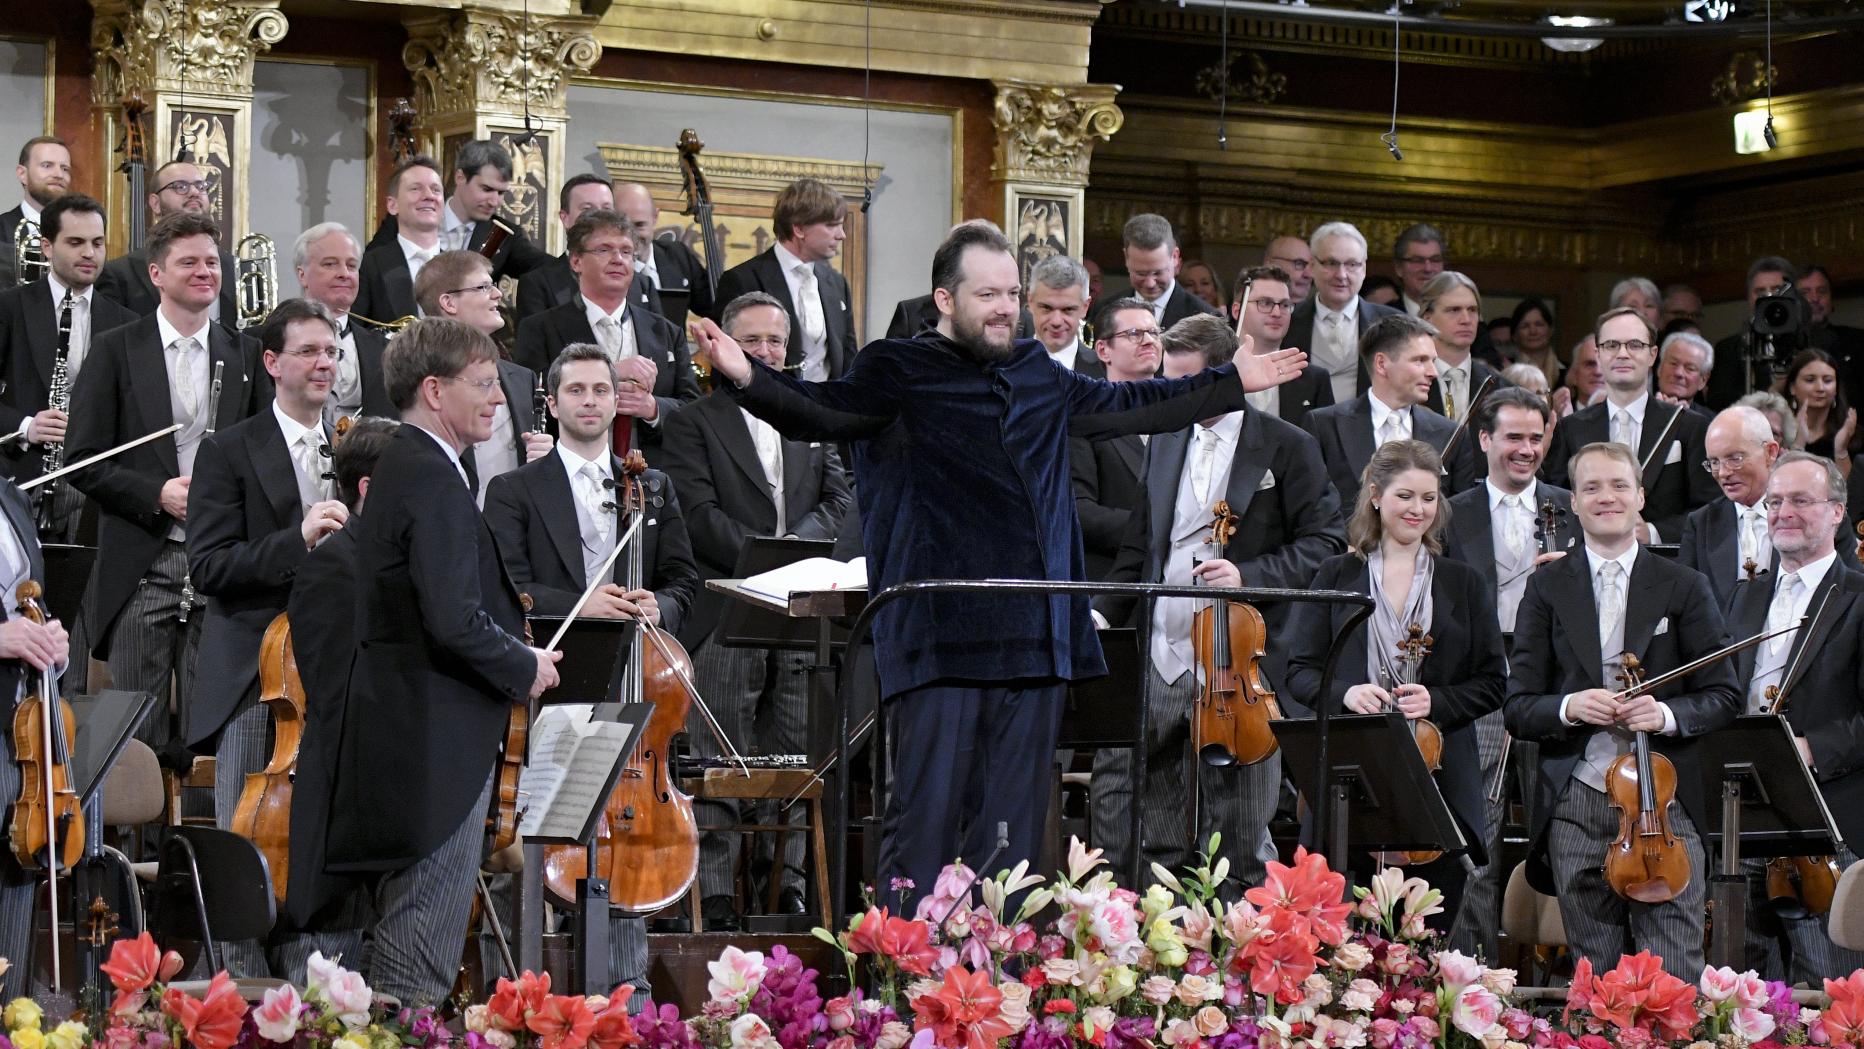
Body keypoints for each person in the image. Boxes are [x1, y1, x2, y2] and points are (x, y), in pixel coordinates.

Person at [686, 221, 1309, 909]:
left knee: (1014, 846)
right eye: (990, 294)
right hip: (941, 637)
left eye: (1013, 292)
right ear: (944, 298)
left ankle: (1005, 987)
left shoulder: (1035, 369)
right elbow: (818, 410)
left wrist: (1227, 383)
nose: (1007, 307)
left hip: (1035, 640)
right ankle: (903, 979)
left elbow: (1130, 403)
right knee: (924, 828)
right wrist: (745, 374)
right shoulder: (897, 367)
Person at [322, 317, 562, 1005]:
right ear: (434, 389)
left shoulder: (404, 465)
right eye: (483, 384)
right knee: (417, 970)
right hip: (434, 751)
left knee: (402, 963)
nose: (498, 399)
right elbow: (453, 618)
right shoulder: (431, 476)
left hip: (402, 734)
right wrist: (524, 664)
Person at [1090, 310, 1344, 888]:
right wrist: (1101, 612)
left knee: (1239, 840)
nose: (1178, 396)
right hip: (1159, 656)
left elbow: (1327, 542)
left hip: (1239, 666)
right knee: (1152, 836)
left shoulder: (1287, 445)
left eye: (1190, 384)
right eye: (1172, 383)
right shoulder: (1165, 441)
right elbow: (1138, 551)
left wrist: (1248, 574)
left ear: (1228, 376)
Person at [483, 341, 696, 982]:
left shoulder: (651, 485)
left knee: (628, 860)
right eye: (575, 391)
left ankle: (623, 1004)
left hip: (639, 692)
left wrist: (662, 606)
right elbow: (504, 586)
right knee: (529, 852)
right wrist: (584, 602)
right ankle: (514, 997)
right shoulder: (513, 489)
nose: (590, 402)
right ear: (551, 404)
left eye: (600, 390)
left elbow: (685, 577)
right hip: (553, 689)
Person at [1505, 440, 1740, 980]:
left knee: (1674, 973)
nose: (1605, 497)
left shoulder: (1685, 584)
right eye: (1591, 487)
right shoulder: (1546, 588)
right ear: (1574, 502)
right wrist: (1568, 706)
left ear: (1639, 495)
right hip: (1576, 801)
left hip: (1666, 800)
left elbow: (1722, 694)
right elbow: (1518, 706)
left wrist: (1665, 715)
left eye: (1617, 485)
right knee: (1595, 976)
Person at [657, 294, 852, 928]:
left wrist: (797, 553)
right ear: (718, 349)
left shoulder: (808, 417)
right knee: (721, 754)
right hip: (724, 611)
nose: (766, 351)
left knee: (793, 755)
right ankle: (714, 891)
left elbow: (838, 500)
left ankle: (785, 884)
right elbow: (697, 513)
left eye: (776, 340)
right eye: (753, 340)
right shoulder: (692, 421)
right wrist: (768, 560)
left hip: (802, 617)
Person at [185, 297, 355, 978]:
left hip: (340, 676)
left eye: (332, 351)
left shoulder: (356, 446)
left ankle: (323, 992)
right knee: (252, 851)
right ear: (272, 361)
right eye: (310, 350)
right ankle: (243, 993)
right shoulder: (227, 450)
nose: (323, 363)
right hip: (259, 681)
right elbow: (209, 566)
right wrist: (299, 538)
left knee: (324, 849)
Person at [66, 211, 267, 757]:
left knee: (213, 734)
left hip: (219, 568)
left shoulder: (244, 353)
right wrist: (158, 494)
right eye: (189, 263)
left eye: (211, 262)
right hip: (140, 564)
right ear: (156, 273)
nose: (205, 272)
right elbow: (82, 459)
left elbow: (262, 461)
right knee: (131, 736)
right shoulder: (114, 349)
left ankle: (201, 845)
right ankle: (133, 845)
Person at [1284, 439, 1505, 930]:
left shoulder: (1463, 582)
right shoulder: (1335, 574)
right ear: (1377, 494)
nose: (1418, 509)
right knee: (1341, 938)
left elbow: (1493, 683)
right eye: (1406, 496)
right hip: (1353, 780)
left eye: (1429, 499)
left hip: (1439, 780)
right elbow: (1298, 671)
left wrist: (1438, 700)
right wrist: (1345, 692)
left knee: (1426, 945)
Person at [1440, 387, 1577, 957]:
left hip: (1556, 690)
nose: (1525, 449)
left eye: (1535, 437)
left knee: (1569, 836)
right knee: (1478, 837)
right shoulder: (1450, 510)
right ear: (1484, 439)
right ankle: (1472, 976)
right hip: (1483, 687)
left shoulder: (1573, 507)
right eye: (1513, 437)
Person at [1727, 451, 1864, 984]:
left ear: (1836, 512)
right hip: (1745, 818)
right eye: (1776, 501)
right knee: (1742, 992)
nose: (1784, 511)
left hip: (1830, 819)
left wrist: (1811, 749)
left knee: (1831, 989)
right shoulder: (1744, 597)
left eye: (1801, 501)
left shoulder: (1858, 596)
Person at [283, 415, 395, 969]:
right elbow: (336, 693)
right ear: (370, 490)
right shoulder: (333, 566)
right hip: (346, 798)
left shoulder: (391, 561)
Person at [0, 193, 136, 541]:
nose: (90, 253)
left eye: (97, 243)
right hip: (23, 478)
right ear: (47, 246)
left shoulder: (127, 322)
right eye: (75, 242)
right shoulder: (11, 308)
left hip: (95, 491)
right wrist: (25, 426)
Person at [513, 210, 697, 455]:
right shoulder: (540, 328)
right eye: (604, 250)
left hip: (651, 479)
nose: (618, 259)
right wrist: (611, 372)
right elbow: (527, 401)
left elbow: (692, 408)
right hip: (570, 471)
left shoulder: (666, 332)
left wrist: (653, 408)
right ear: (576, 261)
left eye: (626, 251)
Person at [1544, 307, 1717, 542]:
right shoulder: (1571, 428)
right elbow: (1556, 503)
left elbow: (1710, 508)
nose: (1623, 354)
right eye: (1612, 345)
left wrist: (1655, 532)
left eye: (1634, 345)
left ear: (1653, 355)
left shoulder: (1690, 426)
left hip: (1666, 567)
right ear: (1599, 354)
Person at [1678, 406, 1861, 611]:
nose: (1723, 472)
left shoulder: (1820, 516)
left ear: (1770, 452)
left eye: (1735, 458)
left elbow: (1851, 593)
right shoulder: (1701, 523)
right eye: (1714, 462)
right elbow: (1685, 603)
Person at [0, 468, 69, 998]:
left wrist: (52, 644)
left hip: (20, 733)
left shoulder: (11, 498)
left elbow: (28, 605)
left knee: (17, 885)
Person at [1302, 312, 1478, 511]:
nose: (1433, 373)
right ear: (1381, 364)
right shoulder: (1325, 425)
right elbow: (1312, 508)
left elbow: (1459, 515)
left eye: (1432, 361)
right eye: (1420, 360)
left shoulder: (1451, 434)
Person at [412, 250, 551, 498]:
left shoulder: (523, 379)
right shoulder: (414, 378)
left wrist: (545, 459)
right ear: (449, 303)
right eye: (484, 287)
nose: (498, 294)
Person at [712, 178, 856, 380]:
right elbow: (726, 361)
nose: (841, 235)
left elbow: (848, 359)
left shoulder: (837, 283)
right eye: (832, 225)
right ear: (799, 229)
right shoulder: (742, 280)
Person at [364, 140, 553, 285]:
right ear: (460, 177)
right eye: (486, 189)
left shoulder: (503, 235)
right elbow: (372, 268)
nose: (495, 201)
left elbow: (550, 269)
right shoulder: (404, 220)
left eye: (501, 192)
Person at [1071, 297, 1164, 580]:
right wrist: (1158, 529)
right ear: (1103, 350)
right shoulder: (1083, 420)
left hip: (1177, 585)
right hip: (1111, 582)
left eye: (1154, 333)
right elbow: (1078, 510)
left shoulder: (1184, 417)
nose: (1148, 341)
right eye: (1134, 334)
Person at [96, 159, 238, 327]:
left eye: (201, 186)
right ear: (155, 203)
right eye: (180, 186)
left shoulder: (236, 269)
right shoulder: (118, 275)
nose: (194, 192)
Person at [1284, 221, 1402, 405]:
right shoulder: (1287, 322)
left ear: (1364, 269)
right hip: (1302, 429)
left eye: (1351, 264)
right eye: (1331, 263)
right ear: (1312, 266)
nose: (1341, 274)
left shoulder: (1394, 325)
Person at [293, 222, 396, 423]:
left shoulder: (384, 350)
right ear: (302, 274)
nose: (344, 274)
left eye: (351, 265)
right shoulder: (265, 341)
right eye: (330, 264)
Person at [1231, 265, 1332, 428]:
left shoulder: (1314, 379)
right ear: (1237, 310)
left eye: (1285, 305)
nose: (1277, 313)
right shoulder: (1212, 371)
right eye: (1265, 303)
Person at [513, 172, 623, 323]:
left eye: (607, 210)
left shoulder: (640, 284)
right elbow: (533, 344)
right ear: (565, 218)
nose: (600, 218)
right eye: (587, 210)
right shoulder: (538, 284)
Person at [353, 156, 447, 326]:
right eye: (416, 189)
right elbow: (357, 331)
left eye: (436, 190)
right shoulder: (370, 264)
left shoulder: (459, 266)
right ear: (392, 205)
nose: (428, 196)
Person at [613, 181, 714, 332]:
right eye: (622, 226)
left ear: (655, 217)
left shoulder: (679, 257)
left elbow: (714, 309)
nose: (630, 235)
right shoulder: (605, 267)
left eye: (639, 225)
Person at [1707, 256, 1796, 411]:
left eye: (1776, 290)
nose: (1768, 297)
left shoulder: (1811, 340)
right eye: (1760, 291)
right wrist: (1771, 394)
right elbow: (1719, 403)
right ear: (1749, 298)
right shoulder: (1728, 349)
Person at [1417, 271, 1506, 424]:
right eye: (1454, 310)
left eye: (1472, 310)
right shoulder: (1406, 382)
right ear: (1427, 318)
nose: (1466, 320)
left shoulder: (1501, 387)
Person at [1121, 213, 1220, 328]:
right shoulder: (1105, 311)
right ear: (1126, 258)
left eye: (1158, 273)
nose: (1150, 283)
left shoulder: (1208, 319)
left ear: (1175, 257)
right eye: (1141, 274)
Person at [0, 136, 69, 287]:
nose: (59, 174)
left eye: (65, 168)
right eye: (47, 165)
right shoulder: (2, 229)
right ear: (22, 174)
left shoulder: (79, 235)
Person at [1783, 349, 1859, 465]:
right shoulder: (1778, 431)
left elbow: (1853, 483)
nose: (1820, 388)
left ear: (1836, 389)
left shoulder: (1853, 435)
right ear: (1792, 387)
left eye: (1827, 381)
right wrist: (1798, 444)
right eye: (1810, 380)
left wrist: (1841, 450)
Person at [1027, 255, 1098, 376]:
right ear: (1030, 302)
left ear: (1085, 307)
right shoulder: (1003, 366)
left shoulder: (1106, 371)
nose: (1056, 322)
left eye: (1068, 309)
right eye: (1046, 308)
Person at [1656, 331, 1715, 419]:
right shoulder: (1634, 409)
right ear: (1659, 368)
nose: (1678, 373)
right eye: (1673, 363)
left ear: (1703, 380)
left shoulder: (1711, 424)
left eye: (1690, 368)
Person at [1392, 223, 1445, 317]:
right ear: (1399, 268)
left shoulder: (1462, 317)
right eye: (1417, 260)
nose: (1428, 269)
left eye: (1435, 260)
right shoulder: (1381, 318)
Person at [1510, 298, 1561, 392]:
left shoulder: (1567, 372)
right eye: (1525, 326)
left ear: (1551, 330)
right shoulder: (1506, 371)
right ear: (1514, 335)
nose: (1533, 331)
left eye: (1539, 324)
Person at [1552, 334, 1602, 418]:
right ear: (1574, 374)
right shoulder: (1558, 418)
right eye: (1590, 364)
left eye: (1605, 365)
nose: (1598, 372)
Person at [1263, 233, 1314, 303]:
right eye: (1299, 264)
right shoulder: (1245, 308)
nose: (1309, 275)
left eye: (1312, 266)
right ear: (1271, 265)